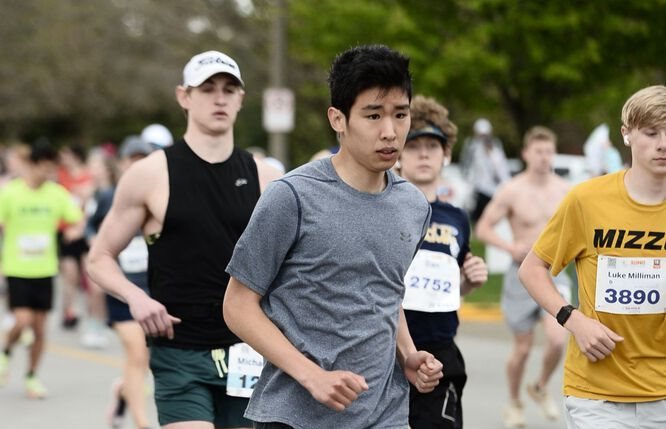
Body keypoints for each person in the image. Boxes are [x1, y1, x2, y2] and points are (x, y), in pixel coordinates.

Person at [223, 44, 444, 429]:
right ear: (338, 119)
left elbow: (387, 292)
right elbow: (238, 306)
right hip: (293, 415)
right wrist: (312, 376)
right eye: (373, 115)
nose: (390, 132)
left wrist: (407, 353)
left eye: (400, 115)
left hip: (385, 414)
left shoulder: (413, 204)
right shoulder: (291, 196)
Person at [87, 50, 280, 429]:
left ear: (241, 98)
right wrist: (136, 298)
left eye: (229, 89)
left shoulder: (267, 179)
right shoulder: (150, 175)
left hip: (248, 352)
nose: (219, 98)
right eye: (207, 89)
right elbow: (99, 257)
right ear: (184, 97)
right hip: (179, 351)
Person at [518, 85, 666, 428]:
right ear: (626, 135)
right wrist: (573, 319)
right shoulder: (587, 199)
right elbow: (532, 269)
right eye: (651, 132)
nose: (663, 144)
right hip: (597, 395)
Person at [398, 94, 488, 429]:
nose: (423, 154)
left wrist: (470, 281)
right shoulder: (384, 207)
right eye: (413, 145)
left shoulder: (457, 219)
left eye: (432, 146)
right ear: (398, 155)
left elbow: (452, 287)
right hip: (388, 348)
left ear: (446, 153)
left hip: (439, 347)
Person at [475, 126, 571, 427]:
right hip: (522, 274)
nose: (544, 157)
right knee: (523, 346)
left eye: (548, 151)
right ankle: (514, 402)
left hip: (556, 273)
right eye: (538, 151)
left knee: (558, 339)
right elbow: (483, 227)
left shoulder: (565, 191)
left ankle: (540, 387)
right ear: (527, 153)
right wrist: (509, 246)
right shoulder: (512, 190)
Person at [0, 141, 83, 398]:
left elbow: (76, 220)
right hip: (17, 267)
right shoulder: (11, 192)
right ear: (32, 165)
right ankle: (6, 350)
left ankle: (32, 376)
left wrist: (73, 231)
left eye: (52, 169)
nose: (48, 174)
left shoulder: (57, 193)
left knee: (39, 329)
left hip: (45, 270)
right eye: (44, 168)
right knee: (22, 320)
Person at [86, 136, 153, 429]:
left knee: (144, 360)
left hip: (152, 291)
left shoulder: (160, 196)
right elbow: (91, 230)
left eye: (143, 159)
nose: (137, 165)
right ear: (123, 164)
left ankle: (122, 393)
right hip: (122, 290)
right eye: (132, 160)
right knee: (137, 352)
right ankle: (141, 423)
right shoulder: (108, 197)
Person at [460, 118, 511, 222]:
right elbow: (466, 165)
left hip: (493, 188)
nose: (483, 138)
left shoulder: (496, 146)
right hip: (476, 188)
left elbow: (501, 168)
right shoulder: (471, 146)